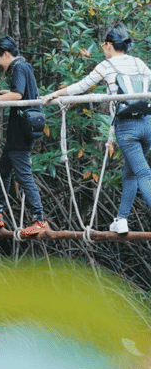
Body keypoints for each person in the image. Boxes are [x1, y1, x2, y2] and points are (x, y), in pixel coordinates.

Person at [42, 24, 151, 234]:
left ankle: (122, 219)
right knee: (131, 173)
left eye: (104, 45)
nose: (103, 49)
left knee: (143, 173)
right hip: (147, 124)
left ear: (109, 45)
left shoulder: (107, 65)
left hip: (127, 128)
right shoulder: (139, 63)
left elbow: (81, 86)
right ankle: (121, 220)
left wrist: (57, 94)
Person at [0, 36, 48, 236]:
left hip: (20, 130)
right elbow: (22, 93)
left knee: (24, 175)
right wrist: (5, 93)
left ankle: (40, 219)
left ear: (6, 54)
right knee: (3, 172)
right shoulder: (24, 66)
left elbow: (18, 96)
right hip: (20, 129)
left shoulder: (17, 67)